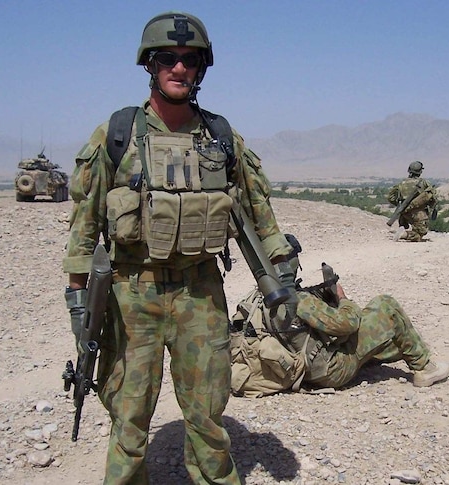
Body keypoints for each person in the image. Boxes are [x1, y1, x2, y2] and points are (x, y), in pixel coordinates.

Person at [62, 11, 295, 485]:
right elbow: (84, 228)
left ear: (201, 69)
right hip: (131, 294)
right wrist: (79, 304)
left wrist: (283, 277)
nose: (179, 68)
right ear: (150, 65)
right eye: (167, 58)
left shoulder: (221, 138)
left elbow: (259, 216)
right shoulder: (118, 136)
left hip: (199, 292)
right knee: (129, 418)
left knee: (208, 416)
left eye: (190, 60)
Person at [230, 235, 449, 396]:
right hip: (328, 372)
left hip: (297, 368)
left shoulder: (256, 297)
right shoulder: (298, 301)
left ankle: (392, 351)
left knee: (380, 342)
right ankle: (424, 369)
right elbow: (349, 324)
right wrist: (341, 297)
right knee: (386, 305)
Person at [387, 161, 437, 242]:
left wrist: (400, 205)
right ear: (420, 171)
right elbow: (432, 198)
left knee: (407, 220)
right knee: (419, 235)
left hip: (403, 213)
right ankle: (404, 234)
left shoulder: (401, 183)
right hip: (418, 214)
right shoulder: (424, 183)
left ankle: (402, 226)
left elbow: (391, 198)